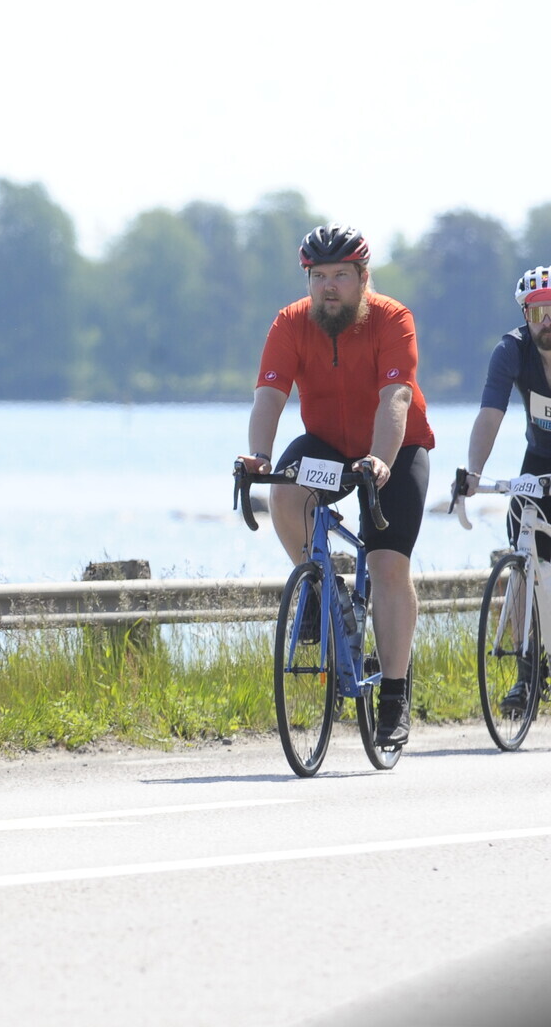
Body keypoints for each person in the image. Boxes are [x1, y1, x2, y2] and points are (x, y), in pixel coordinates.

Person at [235, 224, 434, 748]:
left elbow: (396, 397)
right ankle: (322, 589)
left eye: (340, 276)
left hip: (396, 448)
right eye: (318, 276)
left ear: (363, 278)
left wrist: (380, 460)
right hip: (326, 444)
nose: (328, 287)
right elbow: (269, 396)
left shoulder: (392, 318)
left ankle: (394, 694)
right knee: (284, 490)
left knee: (387, 565)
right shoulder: (290, 323)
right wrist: (259, 456)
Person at [457, 264, 551, 713]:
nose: (547, 322)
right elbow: (490, 412)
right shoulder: (511, 350)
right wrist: (473, 473)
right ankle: (527, 672)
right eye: (537, 314)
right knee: (523, 557)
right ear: (525, 317)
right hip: (539, 461)